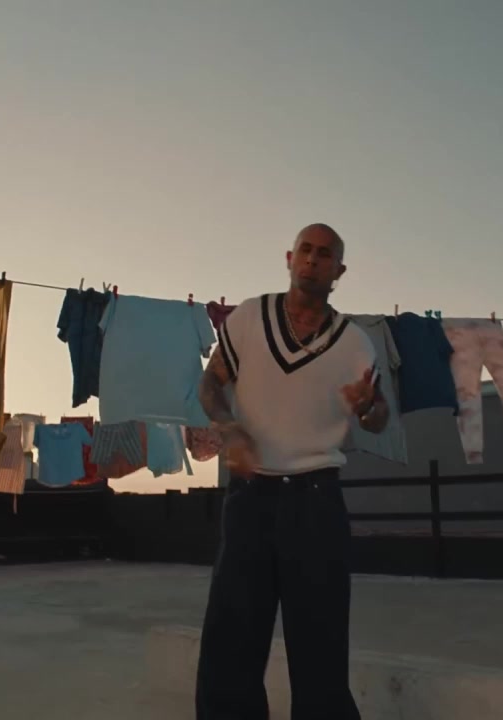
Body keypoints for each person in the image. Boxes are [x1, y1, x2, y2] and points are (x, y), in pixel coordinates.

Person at [194, 223, 389, 720]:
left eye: (325, 254)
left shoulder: (356, 343)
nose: (313, 260)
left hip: (316, 499)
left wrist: (368, 407)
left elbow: (378, 416)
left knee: (320, 642)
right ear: (289, 257)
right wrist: (230, 428)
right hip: (251, 495)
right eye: (305, 250)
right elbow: (210, 384)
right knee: (233, 636)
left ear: (339, 270)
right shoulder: (249, 316)